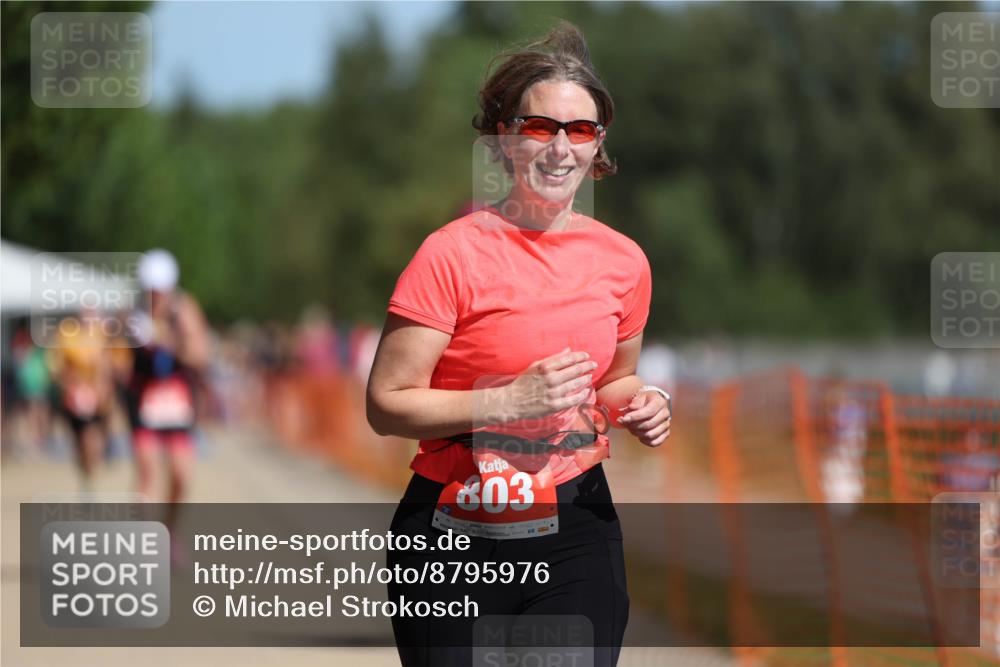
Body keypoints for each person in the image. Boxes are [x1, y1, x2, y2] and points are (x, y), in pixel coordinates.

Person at [366, 22, 671, 667]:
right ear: (506, 139)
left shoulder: (624, 262)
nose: (561, 148)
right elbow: (386, 404)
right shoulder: (451, 254)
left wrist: (643, 401)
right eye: (541, 128)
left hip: (575, 524)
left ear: (598, 146)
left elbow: (614, 379)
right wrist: (505, 402)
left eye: (580, 131)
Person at [123, 249, 210, 534]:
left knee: (180, 475)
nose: (155, 297)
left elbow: (200, 356)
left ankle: (170, 532)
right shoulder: (130, 312)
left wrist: (171, 340)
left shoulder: (184, 309)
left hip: (176, 400)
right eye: (150, 291)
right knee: (146, 468)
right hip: (143, 398)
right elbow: (116, 362)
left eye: (159, 291)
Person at [47, 309, 115, 488]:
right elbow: (56, 368)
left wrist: (103, 390)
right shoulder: (67, 335)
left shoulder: (103, 333)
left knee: (92, 439)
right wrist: (72, 386)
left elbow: (108, 365)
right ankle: (86, 475)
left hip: (98, 399)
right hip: (74, 399)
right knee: (80, 443)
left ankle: (93, 468)